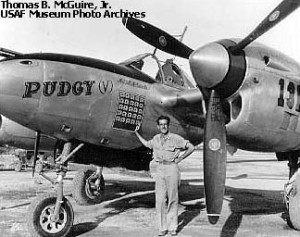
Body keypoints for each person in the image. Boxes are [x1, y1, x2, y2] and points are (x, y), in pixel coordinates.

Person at [135, 115, 195, 236]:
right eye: (161, 124)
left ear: (168, 126)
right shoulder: (156, 139)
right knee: (160, 200)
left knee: (173, 198)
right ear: (158, 126)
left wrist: (181, 158)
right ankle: (162, 228)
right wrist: (136, 133)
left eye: (165, 124)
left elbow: (191, 147)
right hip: (160, 169)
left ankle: (172, 227)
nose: (163, 126)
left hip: (172, 168)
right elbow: (147, 144)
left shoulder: (175, 138)